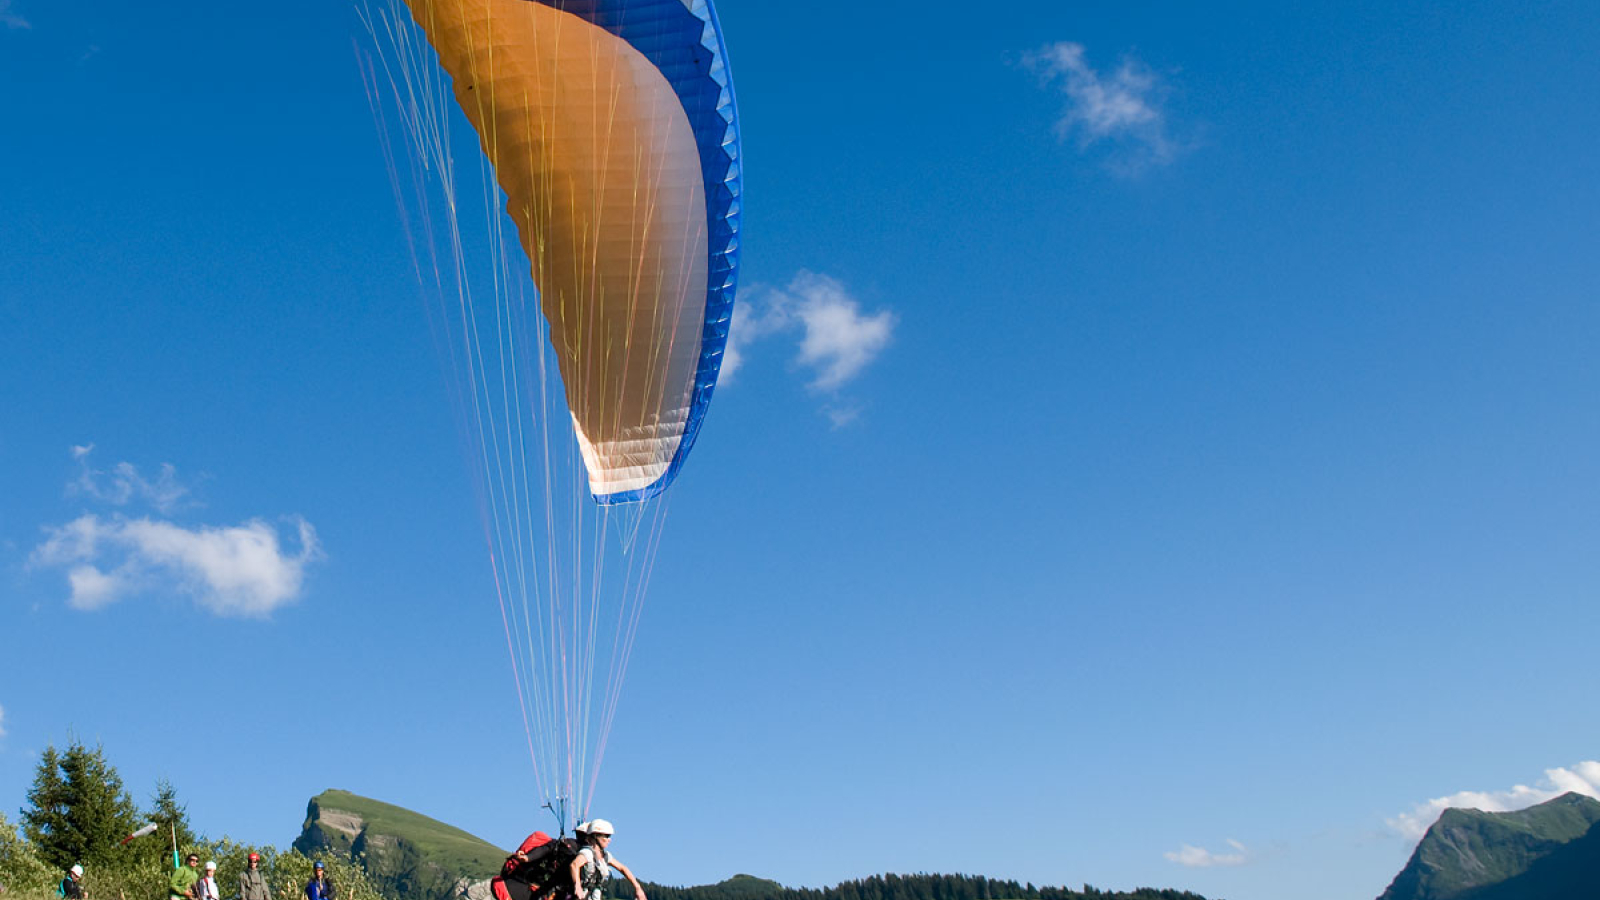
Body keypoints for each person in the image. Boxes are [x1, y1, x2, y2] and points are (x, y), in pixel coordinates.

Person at [567, 821, 644, 900]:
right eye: (606, 836)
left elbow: (623, 868)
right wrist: (577, 886)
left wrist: (638, 888)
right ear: (596, 836)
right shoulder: (587, 853)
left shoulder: (605, 856)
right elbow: (574, 865)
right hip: (582, 896)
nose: (609, 840)